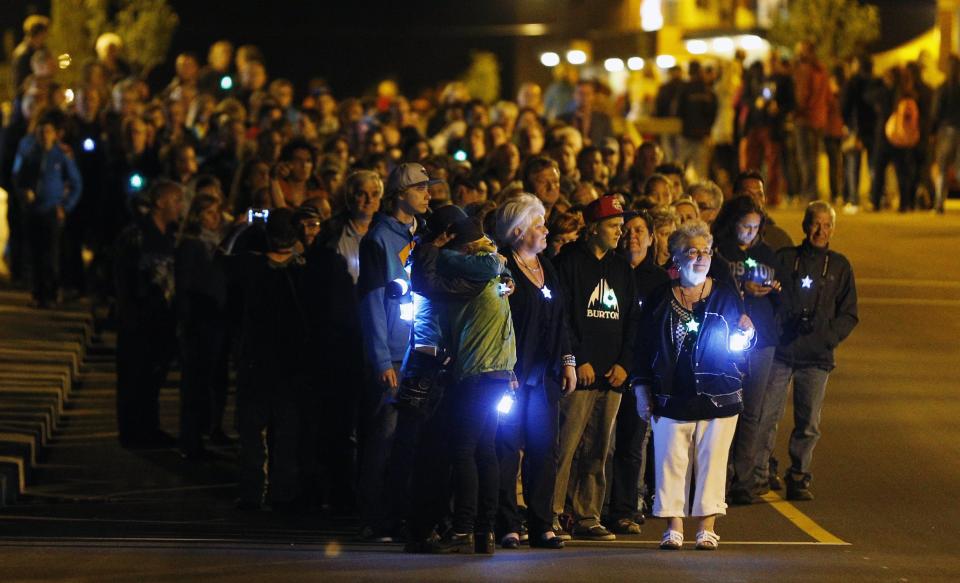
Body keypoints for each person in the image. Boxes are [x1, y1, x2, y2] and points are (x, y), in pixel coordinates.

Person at [632, 219, 752, 551]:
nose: (700, 258)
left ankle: (707, 526)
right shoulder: (659, 298)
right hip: (671, 394)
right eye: (692, 252)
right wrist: (642, 389)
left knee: (713, 459)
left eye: (706, 252)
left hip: (720, 393)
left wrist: (747, 332)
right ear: (675, 257)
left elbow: (743, 344)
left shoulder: (726, 295)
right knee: (670, 458)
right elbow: (642, 348)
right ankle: (673, 526)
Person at [753, 202, 858, 501]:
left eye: (826, 225)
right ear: (804, 225)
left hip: (817, 357)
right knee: (767, 414)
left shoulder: (839, 266)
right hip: (782, 350)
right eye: (815, 223)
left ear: (833, 230)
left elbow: (849, 313)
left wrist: (827, 338)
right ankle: (760, 473)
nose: (820, 231)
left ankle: (799, 475)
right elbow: (768, 297)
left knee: (808, 421)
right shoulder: (786, 259)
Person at [425, 217, 517, 555]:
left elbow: (446, 264)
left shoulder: (481, 267)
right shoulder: (493, 269)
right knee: (485, 449)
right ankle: (484, 531)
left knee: (465, 449)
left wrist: (431, 250)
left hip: (479, 370)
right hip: (496, 370)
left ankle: (465, 528)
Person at [356, 162, 436, 540]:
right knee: (383, 439)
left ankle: (400, 511)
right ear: (401, 193)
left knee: (410, 439)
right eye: (420, 188)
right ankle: (374, 516)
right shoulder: (377, 240)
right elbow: (371, 301)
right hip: (391, 354)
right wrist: (380, 357)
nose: (428, 194)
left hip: (418, 351)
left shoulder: (422, 235)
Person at [494, 194, 577, 550]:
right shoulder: (501, 268)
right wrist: (505, 368)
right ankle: (507, 524)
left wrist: (568, 360)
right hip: (511, 375)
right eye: (539, 224)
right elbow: (497, 321)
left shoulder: (548, 267)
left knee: (545, 446)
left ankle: (542, 522)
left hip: (544, 376)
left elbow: (561, 318)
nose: (546, 230)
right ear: (518, 231)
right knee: (507, 447)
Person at [553, 195, 638, 541]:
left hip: (611, 375)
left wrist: (624, 364)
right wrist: (578, 357)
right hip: (579, 375)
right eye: (613, 225)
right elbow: (563, 316)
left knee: (599, 449)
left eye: (621, 225)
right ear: (593, 228)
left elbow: (632, 319)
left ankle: (587, 513)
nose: (620, 232)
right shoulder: (569, 263)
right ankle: (553, 512)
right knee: (565, 446)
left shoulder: (621, 269)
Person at [710, 196, 783, 505]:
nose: (750, 233)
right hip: (726, 339)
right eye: (745, 226)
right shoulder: (720, 253)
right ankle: (718, 476)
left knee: (752, 411)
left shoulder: (767, 254)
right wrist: (742, 288)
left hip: (762, 340)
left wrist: (775, 291)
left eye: (755, 227)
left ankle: (743, 477)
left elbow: (783, 300)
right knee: (725, 409)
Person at [607, 209, 669, 533]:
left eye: (640, 230)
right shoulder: (609, 272)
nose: (633, 235)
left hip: (641, 375)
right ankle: (595, 507)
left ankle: (624, 509)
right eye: (627, 229)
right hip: (609, 369)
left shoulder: (659, 280)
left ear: (651, 237)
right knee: (602, 445)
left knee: (632, 445)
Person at [114, 180, 184, 448]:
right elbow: (124, 278)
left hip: (161, 318)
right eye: (176, 200)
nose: (180, 206)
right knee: (135, 375)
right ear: (160, 202)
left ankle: (149, 427)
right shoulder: (136, 236)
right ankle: (132, 432)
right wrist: (129, 311)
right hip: (138, 318)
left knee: (153, 377)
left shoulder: (170, 235)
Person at [12, 110, 83, 308]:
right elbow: (18, 178)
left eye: (48, 132)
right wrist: (24, 194)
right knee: (34, 254)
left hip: (52, 211)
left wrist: (65, 206)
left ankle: (51, 293)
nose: (45, 136)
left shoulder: (61, 156)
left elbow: (76, 183)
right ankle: (38, 293)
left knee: (51, 254)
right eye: (41, 132)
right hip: (34, 211)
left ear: (54, 134)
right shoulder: (30, 156)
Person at [174, 193, 227, 459]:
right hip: (199, 321)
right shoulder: (192, 245)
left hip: (215, 319)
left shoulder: (216, 242)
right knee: (195, 383)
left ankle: (202, 433)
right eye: (208, 213)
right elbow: (184, 286)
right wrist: (185, 321)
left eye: (217, 212)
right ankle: (191, 439)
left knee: (208, 381)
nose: (215, 217)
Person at [932, 54, 960, 215]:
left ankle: (939, 203)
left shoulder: (942, 88)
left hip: (946, 130)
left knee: (942, 167)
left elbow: (935, 112)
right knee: (958, 167)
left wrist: (933, 132)